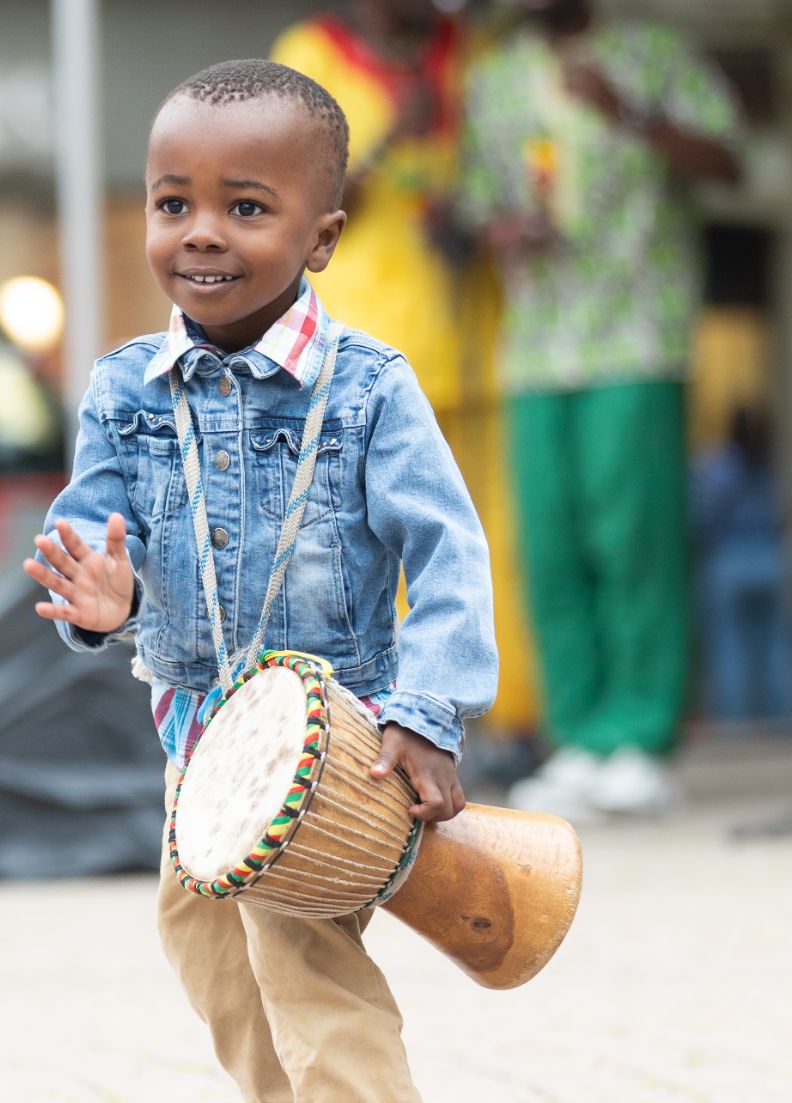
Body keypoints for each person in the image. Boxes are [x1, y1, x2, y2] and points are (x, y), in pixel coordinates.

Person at [25, 60, 496, 1103]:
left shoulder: (370, 389)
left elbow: (448, 555)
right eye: (172, 203)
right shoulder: (125, 388)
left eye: (245, 208)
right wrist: (101, 599)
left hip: (333, 742)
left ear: (320, 236)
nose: (200, 235)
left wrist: (427, 715)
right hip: (198, 742)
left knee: (296, 951)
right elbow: (96, 529)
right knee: (205, 950)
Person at [458, 0, 743, 819]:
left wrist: (629, 113)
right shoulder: (494, 78)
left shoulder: (654, 54)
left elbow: (730, 161)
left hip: (636, 333)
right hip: (538, 344)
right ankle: (580, 732)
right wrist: (505, 231)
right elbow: (479, 204)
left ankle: (642, 736)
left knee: (634, 536)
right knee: (548, 542)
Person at [271, 0, 545, 764]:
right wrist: (394, 134)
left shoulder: (470, 54)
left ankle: (508, 720)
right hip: (363, 350)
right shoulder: (311, 55)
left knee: (484, 540)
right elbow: (300, 200)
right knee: (365, 547)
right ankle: (373, 727)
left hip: (470, 338)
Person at [692, 407, 792, 726]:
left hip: (730, 561)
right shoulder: (773, 465)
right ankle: (787, 721)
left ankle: (737, 723)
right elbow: (786, 512)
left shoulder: (717, 466)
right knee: (779, 650)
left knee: (730, 649)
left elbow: (704, 516)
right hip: (772, 559)